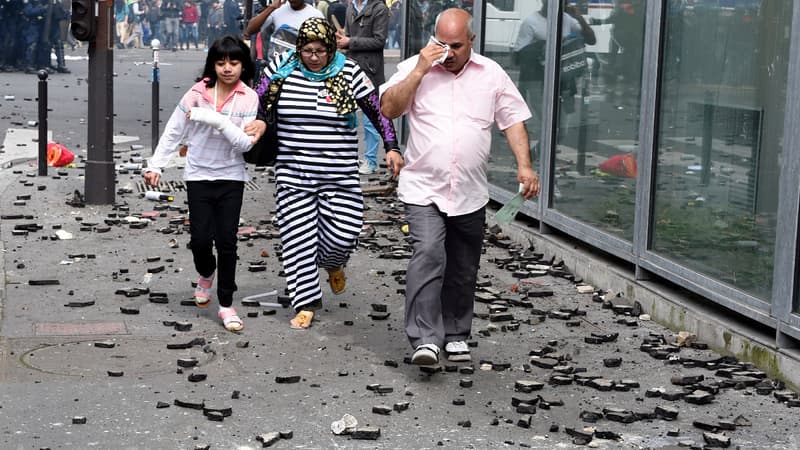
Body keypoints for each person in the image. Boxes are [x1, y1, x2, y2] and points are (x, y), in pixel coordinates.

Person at [380, 8, 540, 365]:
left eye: (456, 45)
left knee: (463, 265)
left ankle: (454, 332)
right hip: (423, 187)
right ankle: (425, 338)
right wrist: (421, 70)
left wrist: (525, 166)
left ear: (472, 40)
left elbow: (512, 120)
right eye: (442, 44)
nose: (448, 53)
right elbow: (388, 108)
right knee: (429, 253)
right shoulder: (415, 66)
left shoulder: (491, 74)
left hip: (469, 190)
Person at [244, 17, 400, 329]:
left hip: (339, 176)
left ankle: (333, 263)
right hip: (293, 175)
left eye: (320, 51)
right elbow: (256, 100)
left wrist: (392, 146)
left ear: (331, 48)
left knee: (343, 235)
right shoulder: (280, 67)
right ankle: (306, 301)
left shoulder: (349, 72)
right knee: (298, 240)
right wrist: (260, 119)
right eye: (307, 51)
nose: (313, 57)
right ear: (299, 48)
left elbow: (376, 111)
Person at [143, 36, 259, 332]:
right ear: (213, 65)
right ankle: (206, 273)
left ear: (243, 65)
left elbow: (244, 144)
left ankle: (226, 304)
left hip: (232, 176)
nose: (227, 69)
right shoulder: (197, 93)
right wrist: (156, 165)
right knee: (199, 240)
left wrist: (215, 120)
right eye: (221, 63)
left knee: (228, 242)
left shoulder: (249, 97)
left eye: (234, 63)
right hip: (198, 176)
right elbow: (174, 130)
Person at [513, 0, 595, 121]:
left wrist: (578, 17)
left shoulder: (567, 19)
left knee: (561, 131)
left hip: (563, 79)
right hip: (539, 78)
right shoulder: (531, 22)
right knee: (548, 122)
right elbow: (518, 56)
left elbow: (591, 40)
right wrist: (545, 46)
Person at [335, 0, 390, 175]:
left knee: (370, 120)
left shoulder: (379, 8)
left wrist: (350, 41)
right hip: (351, 67)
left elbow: (379, 41)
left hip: (370, 71)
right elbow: (349, 35)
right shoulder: (351, 6)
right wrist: (342, 39)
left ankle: (371, 160)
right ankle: (348, 157)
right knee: (345, 114)